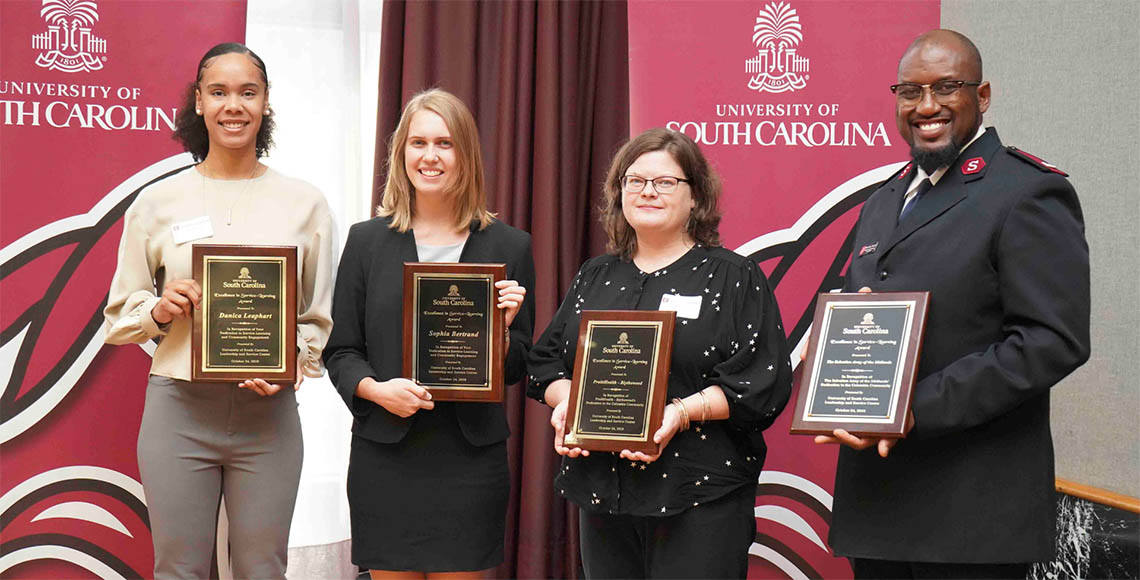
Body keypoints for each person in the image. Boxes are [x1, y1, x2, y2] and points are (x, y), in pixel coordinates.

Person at [815, 29, 1091, 579]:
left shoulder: (1026, 192)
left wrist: (914, 409)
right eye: (909, 92)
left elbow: (1051, 341)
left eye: (947, 87)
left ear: (982, 96)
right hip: (880, 504)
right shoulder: (884, 200)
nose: (926, 106)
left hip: (971, 515)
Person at [103, 43, 334, 579]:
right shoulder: (156, 202)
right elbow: (120, 314)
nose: (235, 105)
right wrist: (159, 311)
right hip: (178, 411)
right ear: (200, 104)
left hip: (267, 418)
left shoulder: (307, 203)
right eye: (220, 92)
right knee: (179, 570)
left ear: (266, 103)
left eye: (248, 92)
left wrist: (291, 361)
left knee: (262, 569)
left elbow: (316, 318)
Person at [527, 128, 792, 578]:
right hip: (603, 495)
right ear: (619, 193)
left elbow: (762, 383)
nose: (648, 191)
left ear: (696, 198)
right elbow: (545, 363)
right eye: (635, 180)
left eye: (666, 182)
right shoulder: (595, 275)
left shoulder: (734, 276)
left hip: (700, 496)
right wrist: (567, 398)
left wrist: (681, 413)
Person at [323, 89, 534, 579]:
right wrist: (376, 390)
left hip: (468, 461)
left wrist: (499, 334)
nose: (430, 156)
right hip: (386, 454)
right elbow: (342, 350)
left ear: (466, 154)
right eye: (418, 142)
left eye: (445, 143)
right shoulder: (366, 241)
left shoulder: (510, 246)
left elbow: (518, 365)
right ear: (401, 153)